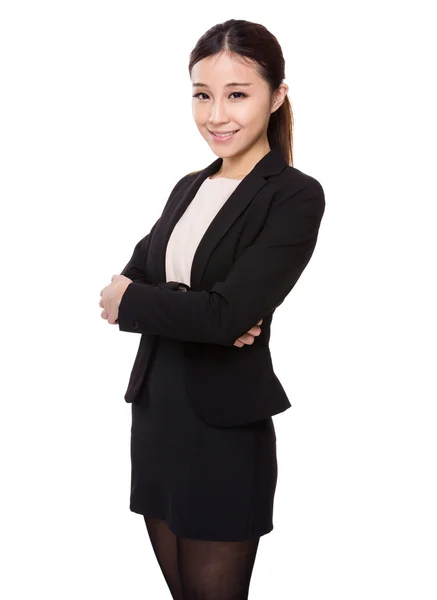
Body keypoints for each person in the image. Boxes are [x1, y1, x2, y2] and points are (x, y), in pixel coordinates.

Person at [99, 18, 325, 600]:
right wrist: (194, 309)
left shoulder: (294, 195)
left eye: (237, 94)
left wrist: (179, 308)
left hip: (222, 432)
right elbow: (118, 293)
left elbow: (222, 316)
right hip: (157, 417)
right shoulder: (187, 187)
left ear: (276, 97)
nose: (216, 114)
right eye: (202, 95)